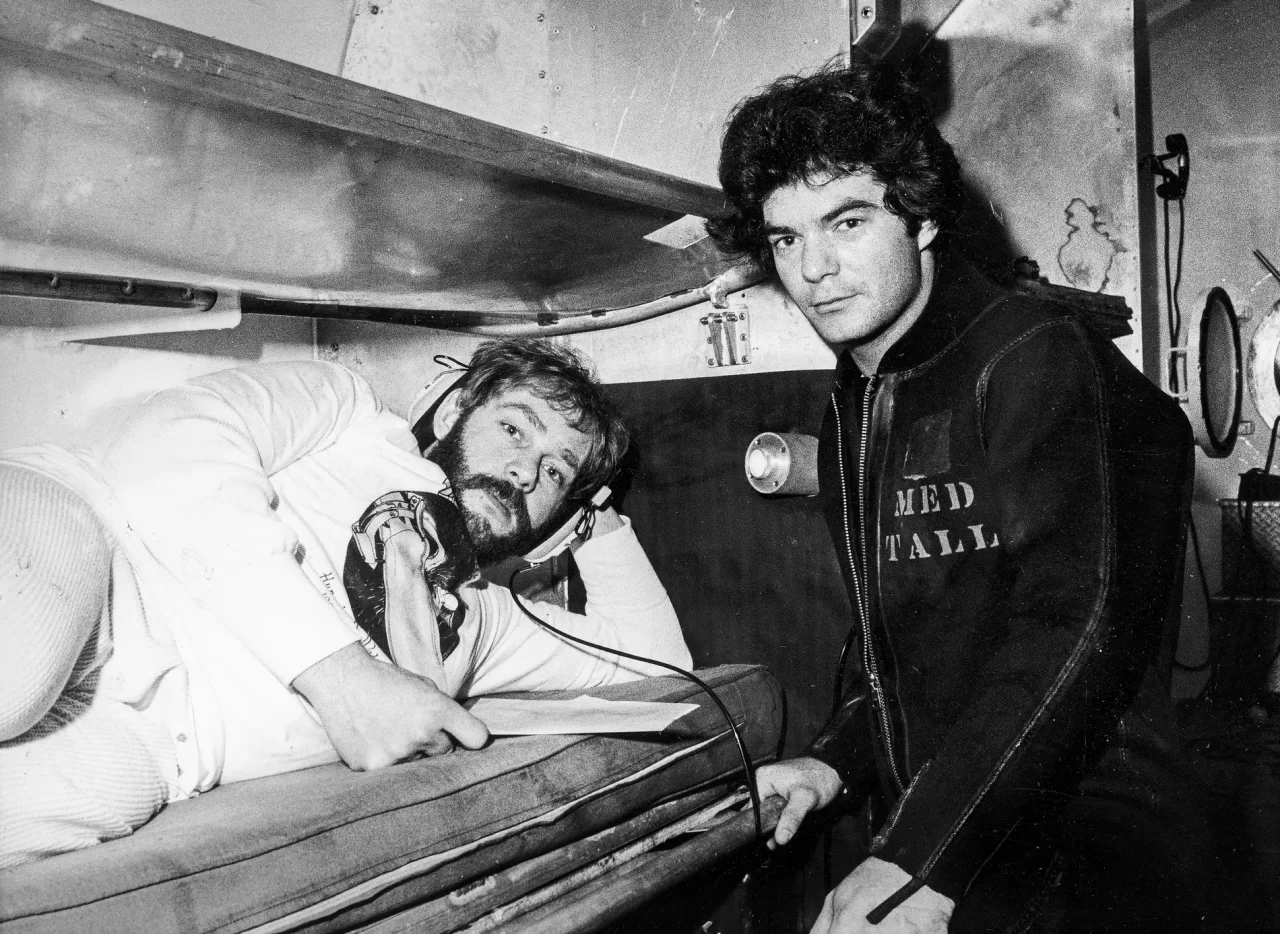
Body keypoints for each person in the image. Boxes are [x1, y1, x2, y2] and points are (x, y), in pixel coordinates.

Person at [707, 65, 1211, 932]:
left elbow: (1069, 629)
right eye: (786, 239)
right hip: (964, 832)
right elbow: (897, 657)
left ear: (925, 217)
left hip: (1087, 848)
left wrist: (920, 859)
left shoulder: (1032, 355)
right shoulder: (849, 410)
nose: (814, 270)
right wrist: (831, 763)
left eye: (848, 222)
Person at [0, 338, 691, 868]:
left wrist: (595, 515)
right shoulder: (353, 413)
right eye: (516, 429)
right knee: (15, 668)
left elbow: (660, 661)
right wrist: (340, 677)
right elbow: (165, 445)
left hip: (164, 743)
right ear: (455, 409)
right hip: (98, 551)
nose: (524, 470)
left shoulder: (488, 621)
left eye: (554, 473)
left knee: (63, 803)